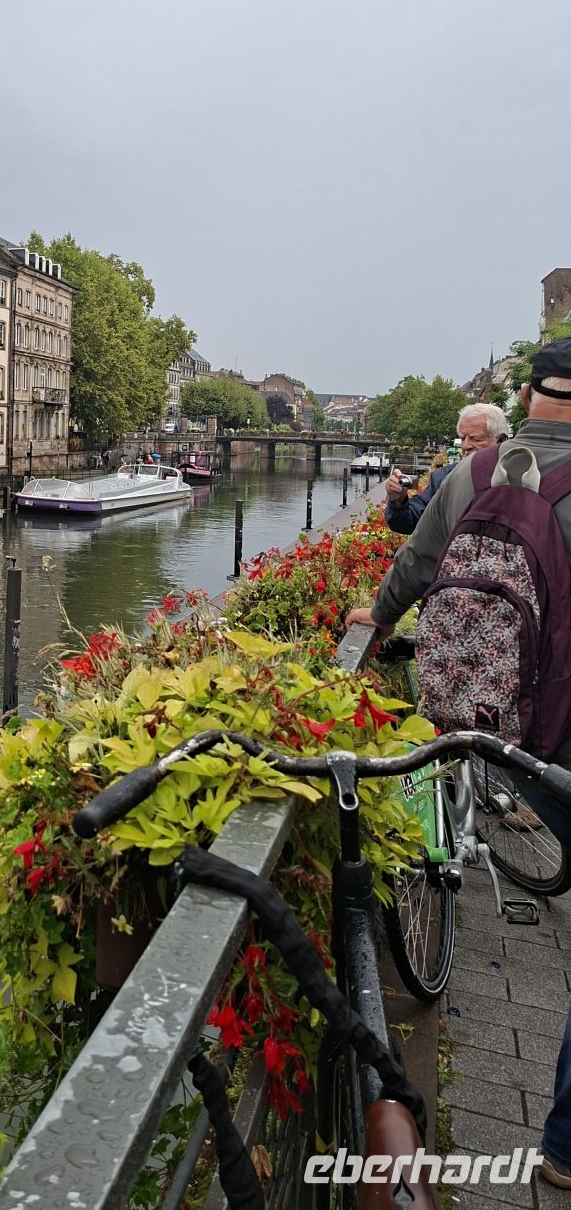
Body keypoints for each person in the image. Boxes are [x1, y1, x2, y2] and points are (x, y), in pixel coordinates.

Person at [347, 339, 571, 1189]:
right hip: (560, 739)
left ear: (524, 396)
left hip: (475, 703)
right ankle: (561, 1149)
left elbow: (412, 566)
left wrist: (374, 623)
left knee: (435, 751)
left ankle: (428, 862)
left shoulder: (474, 473)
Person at [383, 402, 509, 534]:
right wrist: (398, 502)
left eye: (475, 439)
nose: (465, 446)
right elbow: (411, 522)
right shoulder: (444, 477)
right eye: (462, 438)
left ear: (500, 440)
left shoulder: (519, 478)